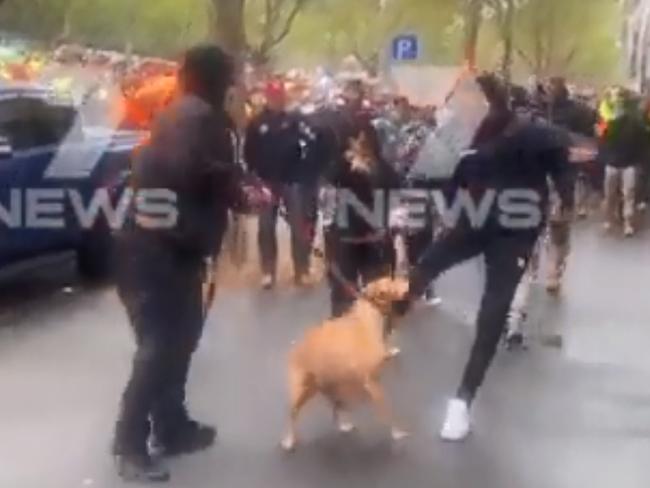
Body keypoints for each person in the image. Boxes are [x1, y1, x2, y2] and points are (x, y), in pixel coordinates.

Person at [393, 73, 574, 441]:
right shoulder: (458, 136)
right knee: (421, 271)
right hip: (472, 223)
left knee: (493, 313)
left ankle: (461, 403)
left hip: (515, 234)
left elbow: (563, 168)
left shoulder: (535, 134)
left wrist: (564, 206)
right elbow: (441, 180)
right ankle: (368, 336)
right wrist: (420, 207)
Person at [112, 45, 241, 483]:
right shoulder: (202, 120)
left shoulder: (179, 114)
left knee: (179, 342)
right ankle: (128, 444)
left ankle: (171, 426)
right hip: (156, 253)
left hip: (164, 249)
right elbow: (201, 173)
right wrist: (240, 194)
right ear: (218, 79)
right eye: (232, 76)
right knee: (160, 349)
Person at [324, 80, 400, 317]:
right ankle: (341, 336)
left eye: (363, 141)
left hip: (373, 239)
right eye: (354, 140)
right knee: (343, 296)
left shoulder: (383, 170)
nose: (358, 145)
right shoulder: (339, 167)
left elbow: (395, 197)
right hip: (347, 238)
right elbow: (328, 196)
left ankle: (374, 339)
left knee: (377, 294)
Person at [244, 80, 318, 288]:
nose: (277, 100)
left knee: (298, 226)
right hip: (266, 181)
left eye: (280, 96)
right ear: (267, 98)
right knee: (266, 227)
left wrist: (306, 171)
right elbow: (249, 152)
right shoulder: (257, 123)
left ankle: (301, 269)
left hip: (292, 181)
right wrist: (253, 179)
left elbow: (309, 144)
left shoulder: (295, 121)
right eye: (273, 96)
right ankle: (268, 271)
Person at [600, 89, 647, 237]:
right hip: (616, 163)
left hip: (626, 164)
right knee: (612, 194)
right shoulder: (609, 122)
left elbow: (642, 142)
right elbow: (602, 141)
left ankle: (627, 222)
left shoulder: (634, 122)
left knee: (627, 194)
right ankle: (609, 219)